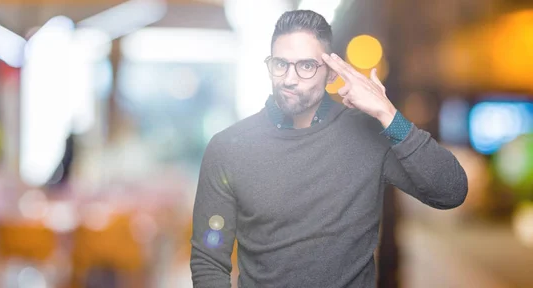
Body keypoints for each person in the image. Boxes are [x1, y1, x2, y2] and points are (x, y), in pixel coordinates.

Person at [190, 10, 468, 288]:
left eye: (306, 66)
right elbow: (209, 258)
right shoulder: (228, 148)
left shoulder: (370, 136)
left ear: (332, 74)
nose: (289, 78)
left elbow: (450, 191)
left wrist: (388, 115)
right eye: (280, 64)